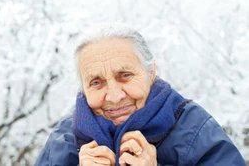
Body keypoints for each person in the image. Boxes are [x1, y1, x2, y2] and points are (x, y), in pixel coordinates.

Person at [35, 24, 246, 166]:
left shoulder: (195, 130)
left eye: (125, 75)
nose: (114, 96)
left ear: (151, 72)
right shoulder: (64, 139)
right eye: (96, 82)